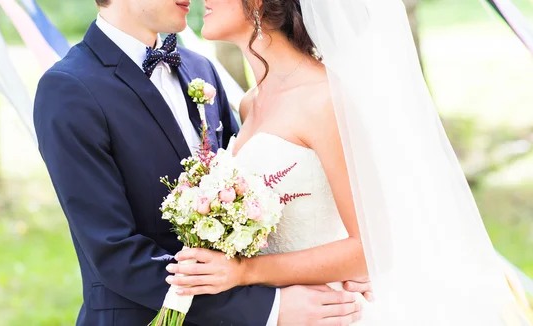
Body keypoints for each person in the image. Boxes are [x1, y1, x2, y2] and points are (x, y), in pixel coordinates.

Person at [165, 0, 532, 325]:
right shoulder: (250, 102)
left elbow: (370, 246)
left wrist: (244, 273)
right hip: (282, 312)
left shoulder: (323, 99)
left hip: (334, 311)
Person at [33, 0, 369, 325]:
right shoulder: (69, 89)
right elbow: (115, 253)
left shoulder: (200, 70)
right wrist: (270, 308)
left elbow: (252, 202)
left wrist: (346, 268)